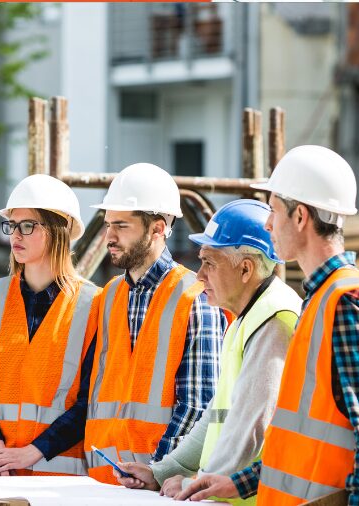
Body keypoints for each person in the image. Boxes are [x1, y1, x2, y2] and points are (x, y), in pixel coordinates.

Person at [176, 146, 359, 505]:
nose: (267, 224)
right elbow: (296, 439)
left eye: (273, 210)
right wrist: (238, 483)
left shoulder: (345, 302)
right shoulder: (321, 300)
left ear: (300, 216)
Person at [113, 199, 301, 505]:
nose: (199, 275)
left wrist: (197, 484)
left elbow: (249, 430)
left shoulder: (273, 321)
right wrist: (163, 472)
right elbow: (216, 416)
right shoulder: (247, 317)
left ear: (246, 269)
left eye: (210, 263)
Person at [84, 163, 227, 484]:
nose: (109, 237)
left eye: (121, 226)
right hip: (102, 480)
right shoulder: (109, 295)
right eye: (107, 224)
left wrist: (157, 471)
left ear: (158, 228)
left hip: (160, 485)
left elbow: (198, 405)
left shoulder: (195, 297)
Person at [0, 174, 100, 476]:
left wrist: (32, 452)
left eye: (27, 226)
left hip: (57, 481)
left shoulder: (94, 304)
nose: (15, 235)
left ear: (58, 229)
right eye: (11, 225)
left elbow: (90, 401)